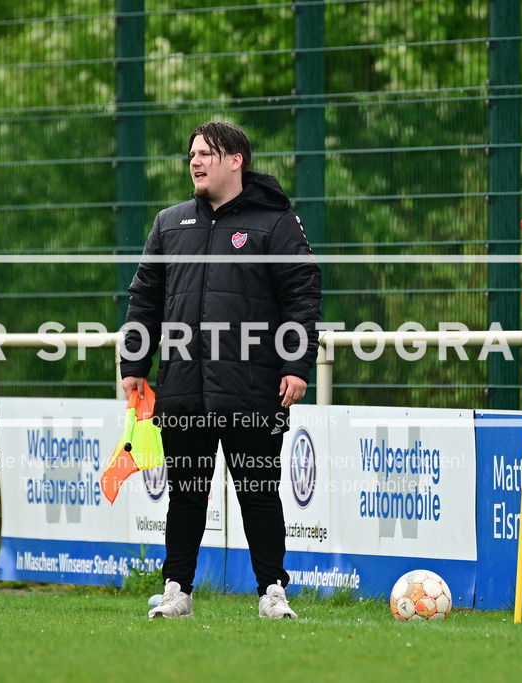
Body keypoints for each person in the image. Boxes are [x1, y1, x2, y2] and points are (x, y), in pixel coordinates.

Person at [121, 121, 322, 619]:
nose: (195, 161)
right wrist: (134, 363)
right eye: (191, 153)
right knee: (186, 496)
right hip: (183, 389)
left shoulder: (276, 223)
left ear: (236, 160)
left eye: (207, 153)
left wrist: (297, 363)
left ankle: (272, 593)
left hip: (253, 390)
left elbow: (302, 297)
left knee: (258, 493)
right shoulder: (169, 224)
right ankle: (176, 594)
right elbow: (143, 299)